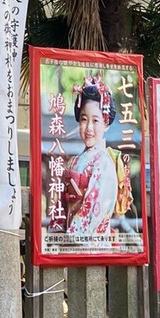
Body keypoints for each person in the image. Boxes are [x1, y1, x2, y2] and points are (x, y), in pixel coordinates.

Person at [47, 77, 133, 236]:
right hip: (70, 241)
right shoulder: (75, 161)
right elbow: (62, 202)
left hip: (91, 241)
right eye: (84, 119)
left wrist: (73, 236)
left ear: (106, 124)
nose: (89, 128)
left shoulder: (104, 162)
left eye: (95, 120)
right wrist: (57, 232)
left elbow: (97, 206)